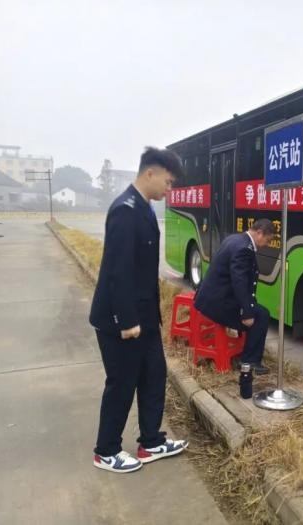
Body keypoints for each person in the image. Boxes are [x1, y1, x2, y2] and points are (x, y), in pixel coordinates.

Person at [89, 147, 188, 473]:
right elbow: (118, 271)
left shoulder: (144, 208)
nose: (169, 189)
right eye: (168, 182)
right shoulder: (125, 210)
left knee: (154, 375)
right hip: (121, 319)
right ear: (150, 173)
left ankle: (151, 442)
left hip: (144, 316)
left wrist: (150, 317)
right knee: (122, 382)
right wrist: (127, 321)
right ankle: (106, 451)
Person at [194, 219, 276, 375]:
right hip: (217, 304)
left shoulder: (236, 239)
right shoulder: (244, 249)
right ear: (259, 233)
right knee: (262, 316)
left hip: (212, 297)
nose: (267, 244)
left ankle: (248, 356)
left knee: (258, 311)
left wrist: (249, 305)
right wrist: (247, 312)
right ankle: (249, 361)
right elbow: (240, 282)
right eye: (268, 240)